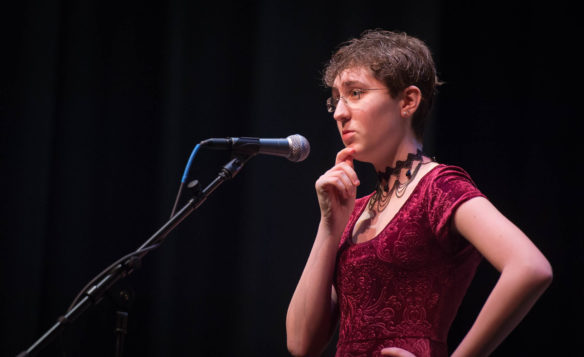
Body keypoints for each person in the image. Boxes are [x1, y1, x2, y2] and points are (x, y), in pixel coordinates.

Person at [285, 30, 552, 357]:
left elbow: (529, 266)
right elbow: (300, 344)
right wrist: (329, 225)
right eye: (336, 100)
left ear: (408, 101)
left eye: (355, 93)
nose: (340, 112)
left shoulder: (438, 188)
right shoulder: (353, 211)